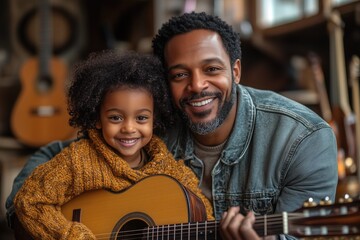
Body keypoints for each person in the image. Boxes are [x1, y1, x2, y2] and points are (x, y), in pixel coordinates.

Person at [6, 12, 338, 239]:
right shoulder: (146, 125)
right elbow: (53, 157)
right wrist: (38, 224)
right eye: (180, 74)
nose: (197, 86)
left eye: (211, 69)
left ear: (235, 71)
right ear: (164, 83)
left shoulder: (303, 139)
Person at [12, 50, 214, 239]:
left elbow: (203, 212)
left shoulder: (169, 170)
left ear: (155, 119)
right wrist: (72, 235)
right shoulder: (79, 162)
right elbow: (29, 201)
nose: (129, 128)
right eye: (116, 118)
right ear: (97, 119)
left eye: (141, 118)